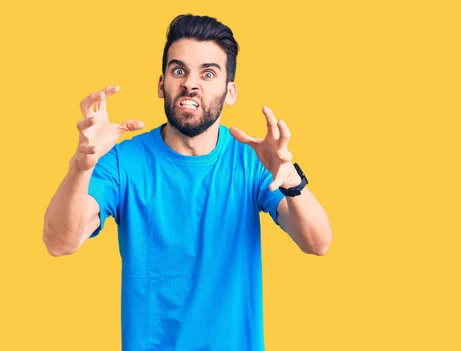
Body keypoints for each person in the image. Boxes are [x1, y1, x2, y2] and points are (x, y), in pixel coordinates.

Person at [43, 13, 332, 351]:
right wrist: (81, 166)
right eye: (178, 70)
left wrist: (291, 179)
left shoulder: (252, 162)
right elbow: (59, 242)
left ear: (230, 91)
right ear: (161, 83)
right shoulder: (123, 162)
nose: (190, 84)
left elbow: (318, 243)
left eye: (208, 73)